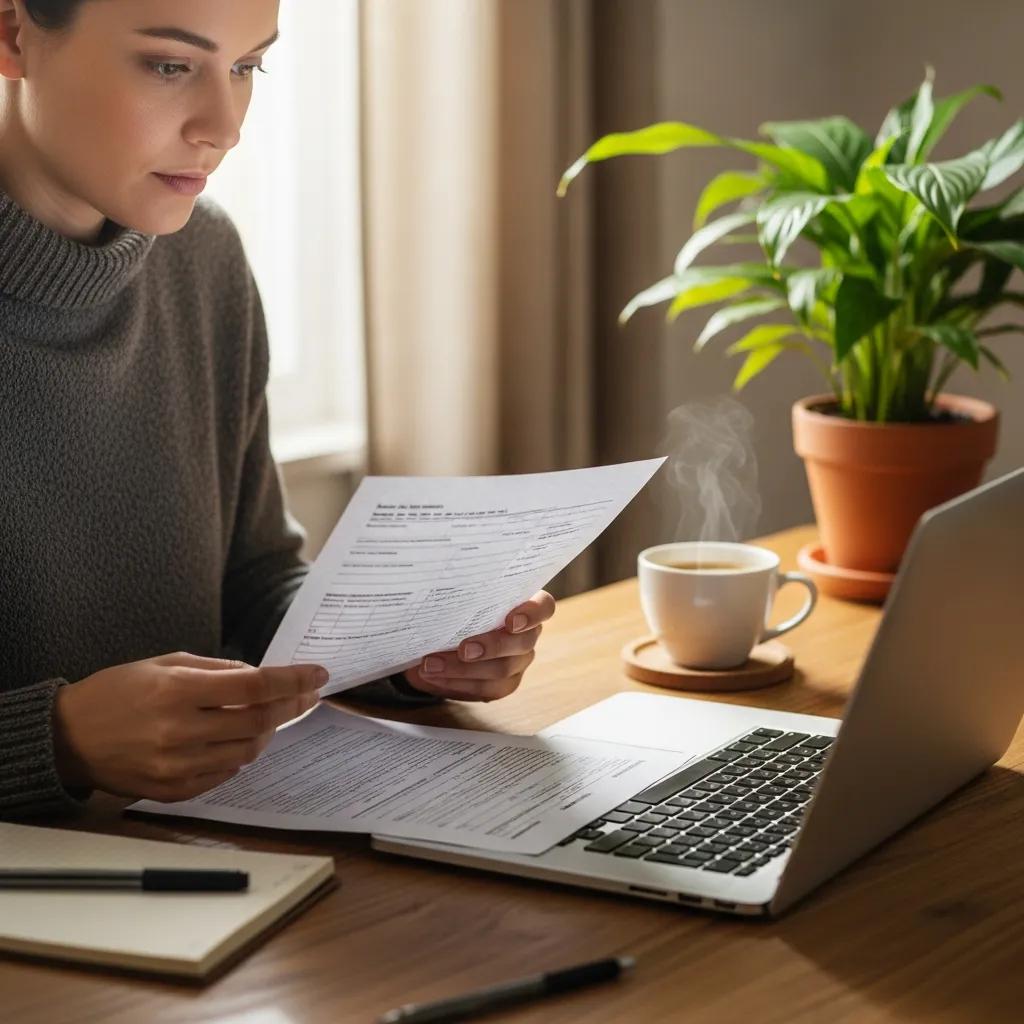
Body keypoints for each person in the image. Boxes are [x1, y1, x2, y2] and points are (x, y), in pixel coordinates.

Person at [0, 0, 555, 819]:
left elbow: (255, 583)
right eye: (169, 66)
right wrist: (57, 740)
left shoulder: (201, 256)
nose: (224, 128)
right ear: (13, 34)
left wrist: (401, 650)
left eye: (247, 67)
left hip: (199, 856)